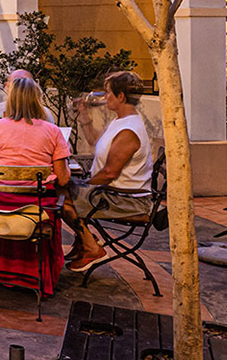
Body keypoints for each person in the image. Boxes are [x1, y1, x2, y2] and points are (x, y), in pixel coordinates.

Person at [0, 75, 73, 292]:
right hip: (36, 209)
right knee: (59, 201)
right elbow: (64, 178)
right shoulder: (53, 131)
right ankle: (33, 274)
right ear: (38, 100)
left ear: (10, 100)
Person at [65, 71, 158, 273]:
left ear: (121, 96)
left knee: (61, 198)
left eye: (108, 92)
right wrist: (84, 113)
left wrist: (83, 185)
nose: (105, 96)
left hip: (126, 200)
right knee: (64, 189)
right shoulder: (119, 121)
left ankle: (91, 247)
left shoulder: (128, 130)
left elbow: (109, 173)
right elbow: (94, 141)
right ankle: (85, 240)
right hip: (112, 193)